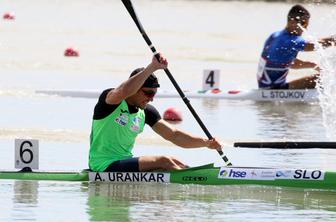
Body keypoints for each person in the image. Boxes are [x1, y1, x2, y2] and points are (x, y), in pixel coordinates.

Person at [89, 53, 222, 172]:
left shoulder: (146, 112)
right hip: (102, 165)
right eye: (148, 93)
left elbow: (174, 135)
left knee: (175, 162)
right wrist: (152, 67)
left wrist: (206, 143)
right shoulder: (111, 101)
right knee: (164, 161)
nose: (151, 98)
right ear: (135, 88)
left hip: (122, 163)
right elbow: (124, 90)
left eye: (154, 94)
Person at [257, 4, 336, 89]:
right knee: (322, 78)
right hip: (274, 89)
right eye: (303, 23)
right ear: (292, 21)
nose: (305, 28)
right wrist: (333, 40)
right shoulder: (289, 41)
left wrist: (313, 65)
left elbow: (288, 62)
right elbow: (314, 45)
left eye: (306, 24)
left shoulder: (275, 36)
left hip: (265, 85)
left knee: (322, 76)